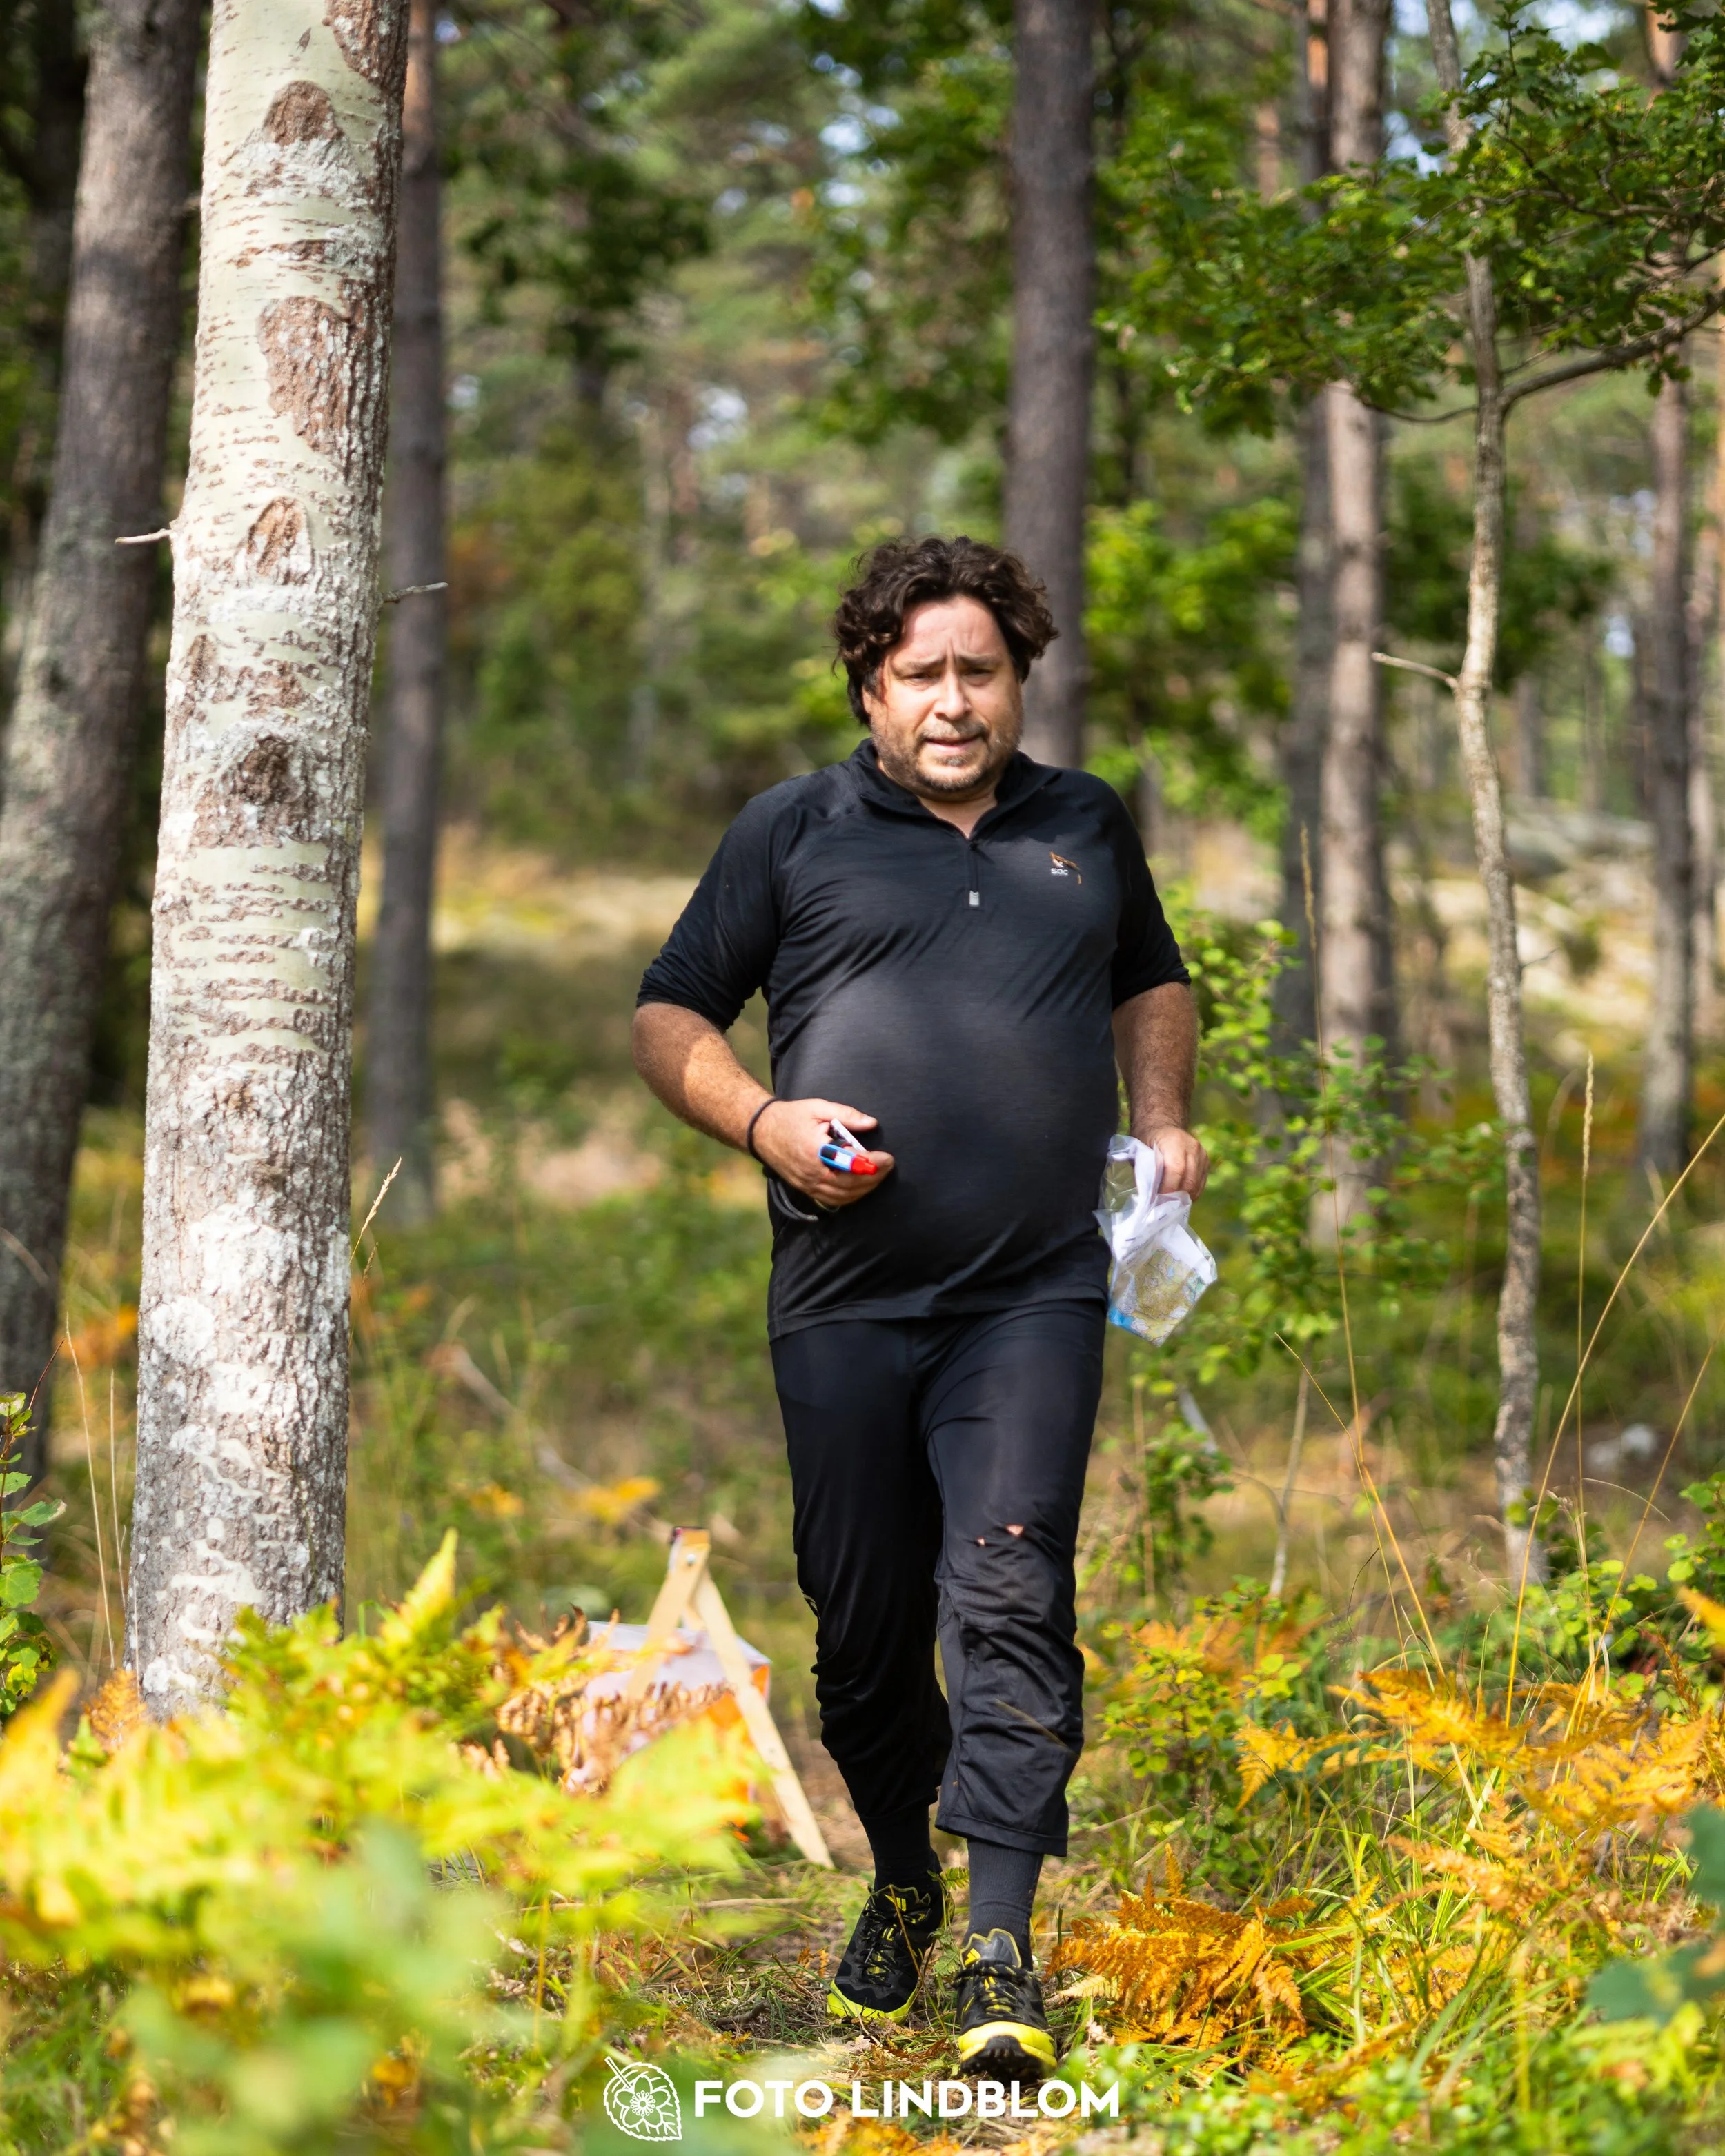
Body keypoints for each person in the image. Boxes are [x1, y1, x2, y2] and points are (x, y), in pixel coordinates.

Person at [633, 534, 1207, 2077]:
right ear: (868, 689)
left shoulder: (1082, 822)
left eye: (977, 670)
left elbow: (1150, 978)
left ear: (1014, 677)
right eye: (918, 676)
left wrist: (1161, 1111)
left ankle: (1001, 1943)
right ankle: (901, 1872)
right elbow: (670, 1008)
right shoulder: (795, 828)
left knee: (1011, 1586)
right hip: (843, 1295)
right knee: (867, 1628)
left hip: (1030, 1290)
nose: (950, 702)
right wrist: (764, 1122)